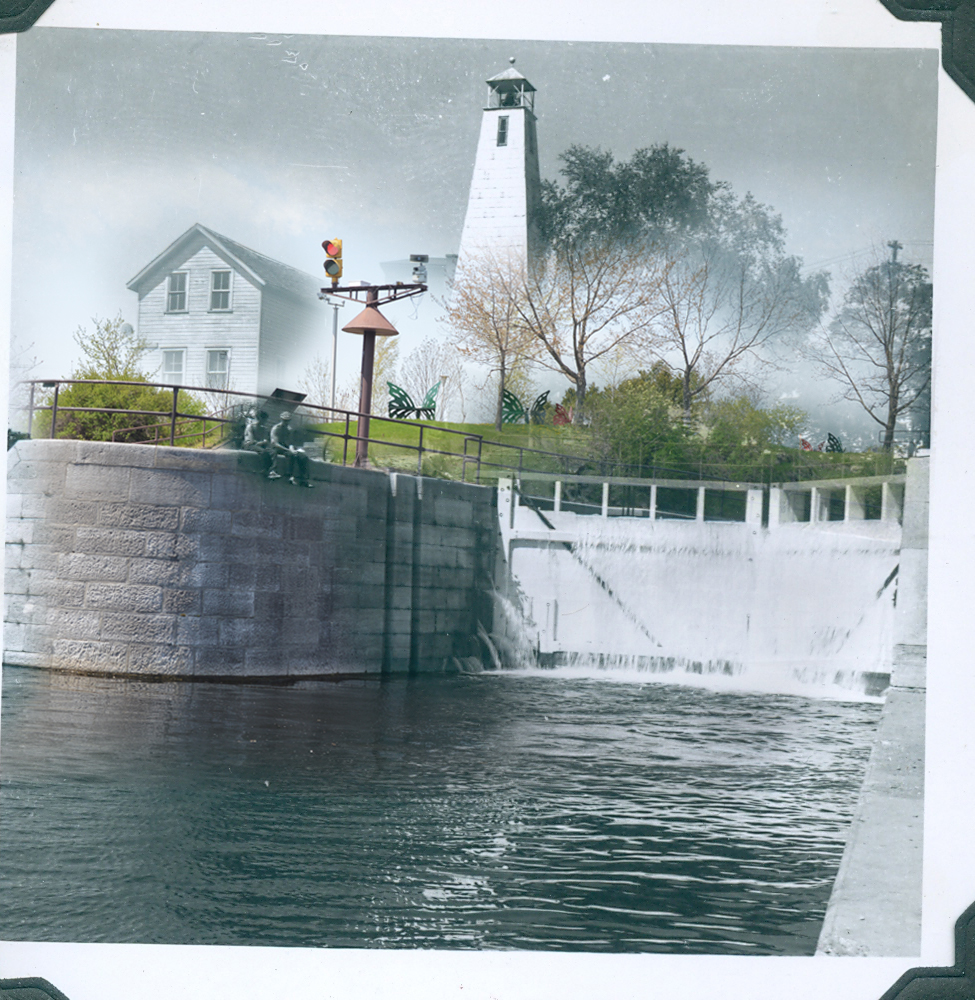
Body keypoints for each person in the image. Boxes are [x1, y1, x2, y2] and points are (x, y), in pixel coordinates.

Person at [270, 411, 313, 487]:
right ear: (281, 419)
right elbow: (275, 443)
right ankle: (290, 476)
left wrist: (292, 450)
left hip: (286, 448)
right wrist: (288, 450)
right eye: (284, 420)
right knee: (290, 455)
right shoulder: (276, 428)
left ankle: (304, 479)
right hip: (277, 448)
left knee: (303, 457)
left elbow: (290, 443)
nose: (286, 422)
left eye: (287, 421)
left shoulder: (289, 430)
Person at [242, 409, 276, 478]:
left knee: (273, 452)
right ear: (260, 418)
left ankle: (273, 471)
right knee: (264, 452)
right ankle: (265, 470)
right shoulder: (250, 427)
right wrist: (263, 442)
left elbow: (265, 440)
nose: (265, 421)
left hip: (259, 445)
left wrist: (264, 442)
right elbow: (251, 441)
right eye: (264, 419)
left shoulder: (264, 429)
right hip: (249, 445)